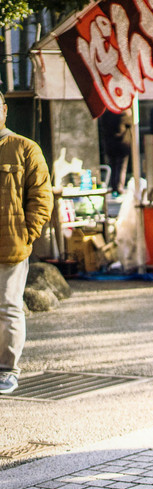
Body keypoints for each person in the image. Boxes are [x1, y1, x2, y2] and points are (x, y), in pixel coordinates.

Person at [0, 92, 52, 395]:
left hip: (10, 247)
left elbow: (42, 200)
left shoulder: (24, 148)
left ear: (5, 111)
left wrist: (24, 234)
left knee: (7, 308)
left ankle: (7, 369)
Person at [99, 109, 133, 194]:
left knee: (113, 165)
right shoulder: (124, 114)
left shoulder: (106, 114)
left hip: (110, 143)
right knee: (121, 166)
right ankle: (119, 186)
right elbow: (130, 124)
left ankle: (114, 186)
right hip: (122, 143)